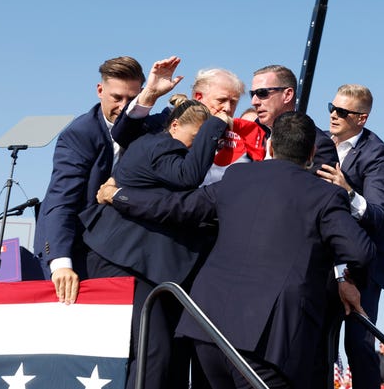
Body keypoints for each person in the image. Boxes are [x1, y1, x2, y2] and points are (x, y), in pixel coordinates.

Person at [96, 111, 376, 389]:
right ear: (313, 152)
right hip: (268, 341)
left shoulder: (236, 178)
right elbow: (361, 252)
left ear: (270, 146)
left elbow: (178, 208)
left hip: (209, 328)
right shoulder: (325, 195)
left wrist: (119, 195)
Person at [80, 95, 229, 389]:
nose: (196, 147)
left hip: (142, 264)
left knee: (161, 352)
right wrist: (214, 126)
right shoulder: (162, 145)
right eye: (195, 138)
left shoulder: (163, 146)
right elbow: (188, 176)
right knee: (152, 351)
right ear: (174, 126)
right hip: (127, 261)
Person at [33, 55, 183, 304]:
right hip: (76, 250)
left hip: (121, 252)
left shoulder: (149, 127)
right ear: (100, 90)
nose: (124, 106)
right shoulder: (79, 135)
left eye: (131, 99)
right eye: (117, 97)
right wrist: (60, 263)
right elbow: (61, 201)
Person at [316, 84, 384, 389]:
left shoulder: (377, 154)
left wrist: (348, 190)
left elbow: (378, 215)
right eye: (331, 108)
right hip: (329, 258)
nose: (333, 116)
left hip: (367, 262)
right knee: (321, 340)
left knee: (358, 342)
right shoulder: (321, 142)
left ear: (362, 118)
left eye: (342, 112)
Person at [111, 67, 264, 186]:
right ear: (199, 97)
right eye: (221, 100)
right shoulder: (169, 120)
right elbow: (123, 135)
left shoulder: (242, 133)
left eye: (233, 102)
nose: (227, 108)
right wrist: (150, 94)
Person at [249, 64, 338, 171]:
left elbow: (317, 187)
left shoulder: (319, 144)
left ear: (287, 95)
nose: (254, 102)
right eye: (252, 94)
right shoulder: (250, 133)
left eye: (262, 93)